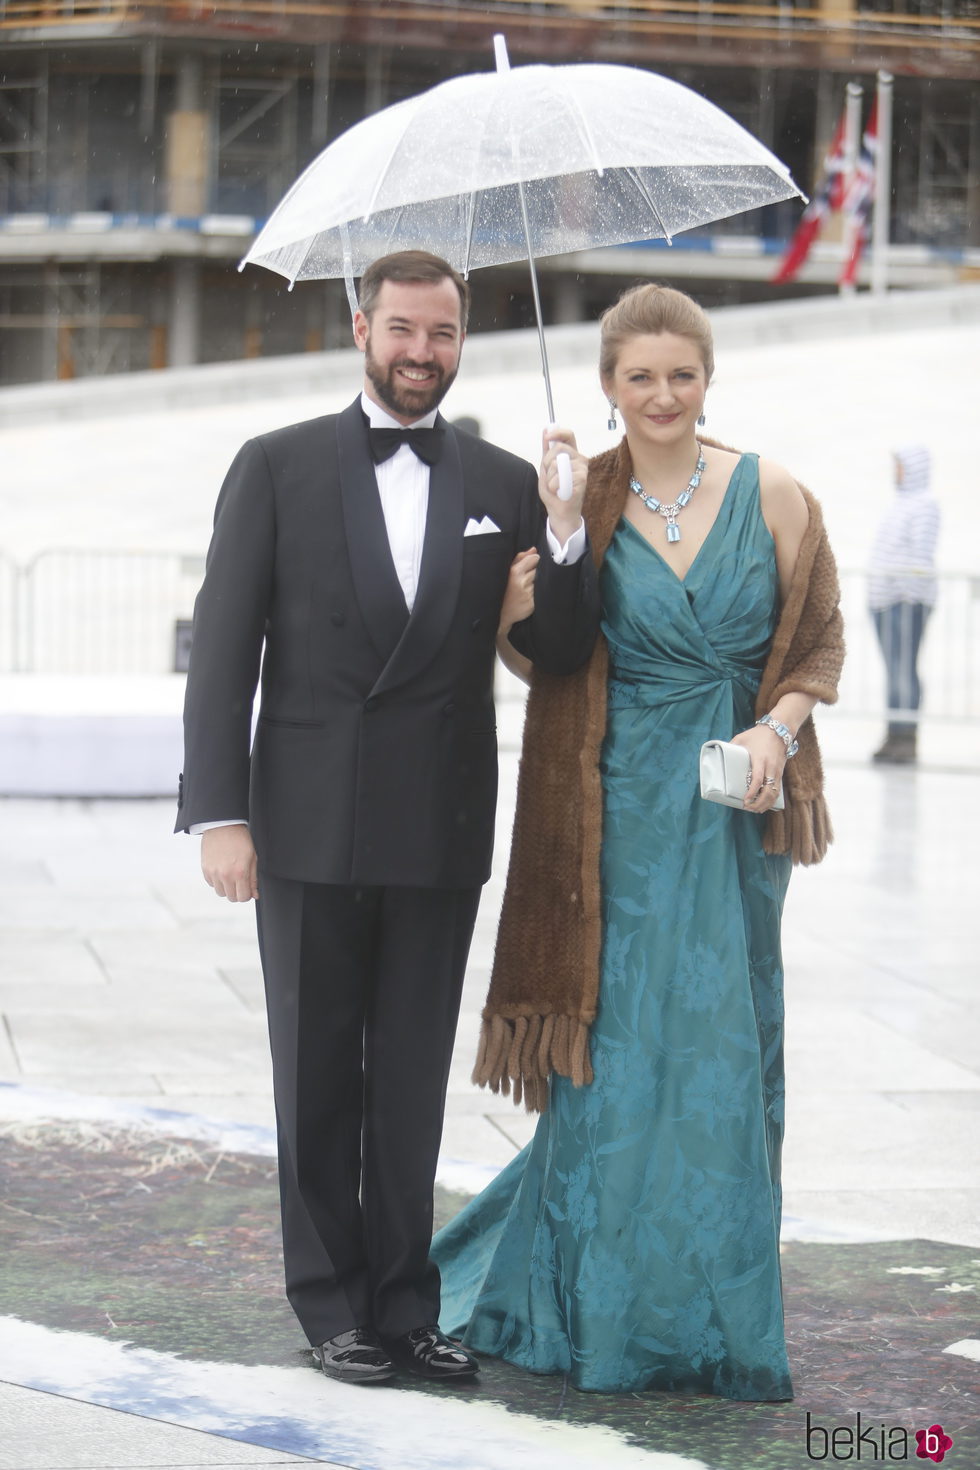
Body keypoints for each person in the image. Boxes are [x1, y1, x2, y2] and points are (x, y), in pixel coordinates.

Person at [175, 250, 600, 1386]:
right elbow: (222, 656)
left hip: (437, 821)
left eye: (444, 334)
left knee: (408, 1077)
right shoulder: (275, 466)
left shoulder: (509, 482)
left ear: (464, 339)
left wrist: (565, 532)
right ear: (362, 326)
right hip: (305, 821)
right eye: (404, 330)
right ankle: (331, 1308)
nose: (422, 354)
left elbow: (552, 654)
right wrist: (219, 811)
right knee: (315, 1072)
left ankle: (406, 1308)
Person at [431, 283, 844, 1401]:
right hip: (607, 814)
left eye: (681, 374)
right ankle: (597, 1308)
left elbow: (814, 642)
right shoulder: (578, 496)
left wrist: (772, 729)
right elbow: (549, 657)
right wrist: (543, 568)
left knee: (719, 1056)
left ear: (707, 379)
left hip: (734, 814)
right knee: (611, 1063)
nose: (660, 395)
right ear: (607, 388)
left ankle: (712, 1315)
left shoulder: (776, 493)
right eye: (637, 377)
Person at [868, 444, 939, 765]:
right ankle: (893, 733)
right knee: (894, 670)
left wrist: (904, 592)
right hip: (886, 601)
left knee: (904, 671)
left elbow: (920, 557)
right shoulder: (901, 504)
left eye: (900, 465)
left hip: (905, 601)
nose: (895, 471)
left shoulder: (925, 505)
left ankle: (905, 738)